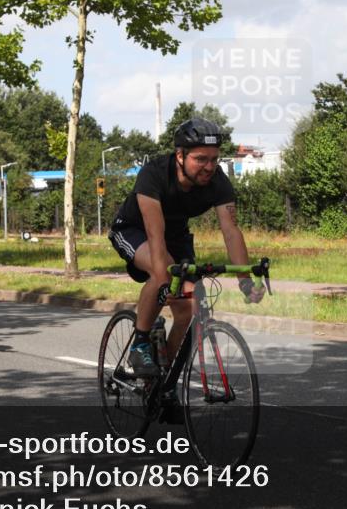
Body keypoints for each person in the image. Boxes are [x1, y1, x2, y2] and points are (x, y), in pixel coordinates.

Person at [108, 117, 265, 378]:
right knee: (162, 273)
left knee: (188, 308)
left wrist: (245, 280)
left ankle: (164, 380)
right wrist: (165, 283)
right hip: (135, 230)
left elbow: (231, 231)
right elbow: (155, 236)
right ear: (180, 156)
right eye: (201, 159)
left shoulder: (218, 181)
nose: (209, 167)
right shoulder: (154, 175)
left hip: (176, 236)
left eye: (214, 159)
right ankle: (140, 342)